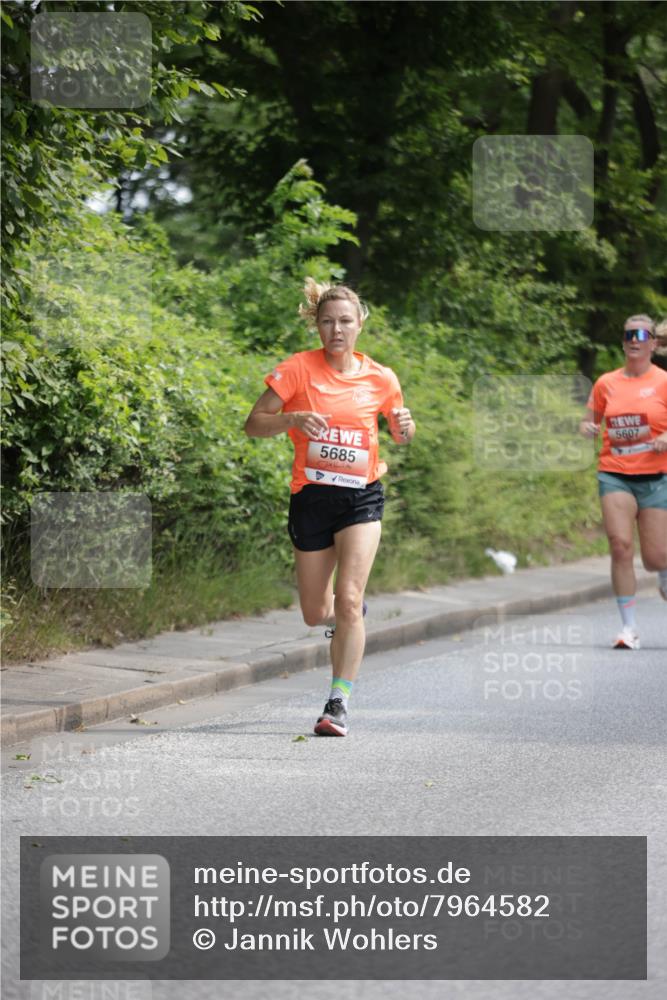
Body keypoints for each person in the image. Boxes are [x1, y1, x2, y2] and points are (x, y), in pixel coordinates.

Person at [244, 278, 415, 734]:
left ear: (359, 324)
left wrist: (405, 426)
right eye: (327, 322)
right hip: (312, 498)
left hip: (362, 496)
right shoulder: (298, 370)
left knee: (349, 597)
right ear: (316, 326)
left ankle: (338, 702)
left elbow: (400, 433)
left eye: (345, 321)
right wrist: (293, 418)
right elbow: (253, 424)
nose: (336, 329)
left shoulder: (381, 377)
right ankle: (346, 619)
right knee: (316, 612)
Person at [580, 314, 667, 649]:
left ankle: (662, 572)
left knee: (656, 557)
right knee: (620, 545)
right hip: (615, 473)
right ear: (623, 342)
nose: (635, 339)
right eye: (629, 334)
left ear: (653, 344)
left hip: (656, 476)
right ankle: (628, 628)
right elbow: (590, 420)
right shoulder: (607, 383)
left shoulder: (663, 382)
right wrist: (587, 428)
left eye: (642, 334)